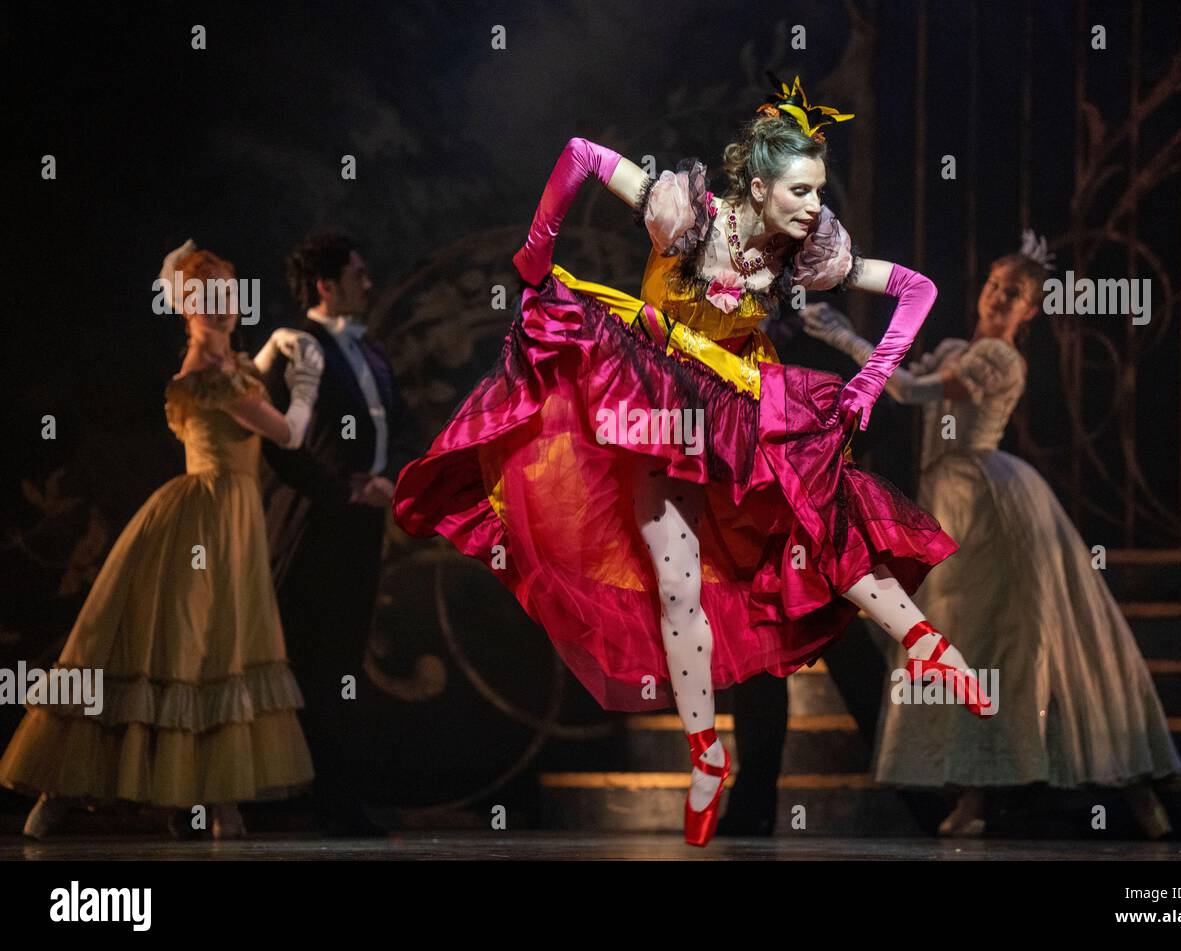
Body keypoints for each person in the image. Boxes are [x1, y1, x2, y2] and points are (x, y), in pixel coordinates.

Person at [393, 74, 992, 848]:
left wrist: (872, 379)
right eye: (801, 190)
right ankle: (705, 754)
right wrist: (537, 247)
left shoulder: (806, 249)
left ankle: (930, 647)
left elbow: (917, 288)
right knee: (678, 585)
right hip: (652, 391)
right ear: (756, 184)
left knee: (820, 522)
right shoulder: (681, 211)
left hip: (743, 401)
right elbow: (578, 154)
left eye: (818, 190)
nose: (815, 205)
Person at [802, 231, 1181, 838]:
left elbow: (905, 389)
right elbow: (904, 375)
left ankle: (1132, 792)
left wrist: (841, 336)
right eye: (994, 286)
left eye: (1014, 295)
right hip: (948, 500)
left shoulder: (998, 359)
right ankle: (974, 797)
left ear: (1030, 310)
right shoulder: (959, 346)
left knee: (1023, 641)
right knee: (966, 642)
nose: (998, 298)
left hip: (989, 502)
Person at [0, 241, 320, 839]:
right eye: (207, 299)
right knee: (179, 650)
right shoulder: (204, 375)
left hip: (232, 521)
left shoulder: (227, 368)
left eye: (227, 295)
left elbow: (248, 379)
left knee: (221, 649)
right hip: (204, 518)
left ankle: (218, 801)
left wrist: (275, 347)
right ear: (187, 306)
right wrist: (304, 385)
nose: (222, 307)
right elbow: (286, 434)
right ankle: (63, 793)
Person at [262, 230, 421, 836]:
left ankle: (337, 797)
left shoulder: (372, 353)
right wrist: (348, 487)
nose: (369, 282)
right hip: (311, 526)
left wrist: (391, 481)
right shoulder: (293, 348)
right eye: (358, 274)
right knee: (308, 662)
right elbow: (283, 449)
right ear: (325, 285)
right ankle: (302, 798)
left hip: (360, 525)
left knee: (344, 662)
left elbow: (402, 427)